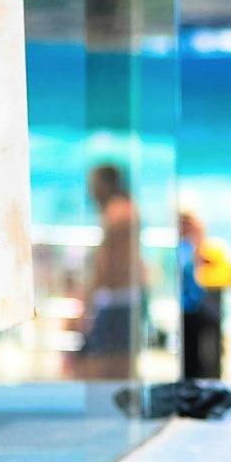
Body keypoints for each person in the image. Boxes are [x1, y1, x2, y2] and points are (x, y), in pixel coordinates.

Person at [78, 162, 143, 381]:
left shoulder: (116, 213)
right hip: (124, 296)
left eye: (94, 185)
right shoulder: (127, 209)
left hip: (115, 298)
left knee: (104, 364)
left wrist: (89, 298)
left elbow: (107, 264)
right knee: (122, 362)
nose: (91, 191)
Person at [177, 208, 231, 381]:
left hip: (198, 308)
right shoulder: (183, 249)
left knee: (204, 355)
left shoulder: (203, 249)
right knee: (193, 356)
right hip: (188, 309)